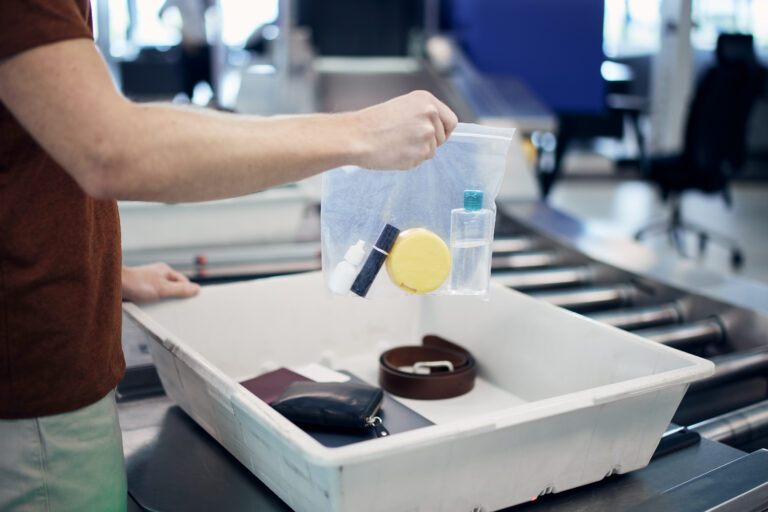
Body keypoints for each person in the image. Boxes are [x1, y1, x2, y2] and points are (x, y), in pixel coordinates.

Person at [0, 1, 458, 511]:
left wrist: (101, 267)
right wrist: (359, 133)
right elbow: (109, 147)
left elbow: (29, 157)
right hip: (31, 404)